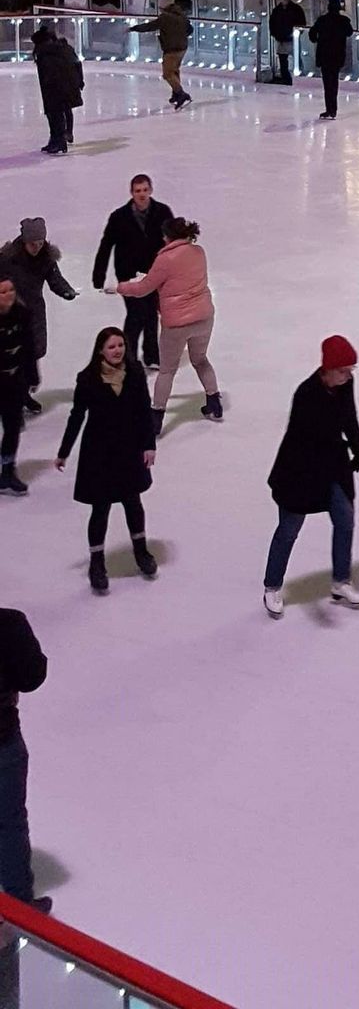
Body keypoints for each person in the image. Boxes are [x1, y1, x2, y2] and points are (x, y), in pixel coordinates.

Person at [263, 336, 359, 617]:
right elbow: (309, 440)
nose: (348, 376)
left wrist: (358, 446)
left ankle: (341, 581)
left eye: (350, 371)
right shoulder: (306, 395)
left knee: (345, 519)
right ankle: (272, 586)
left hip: (332, 466)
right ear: (328, 369)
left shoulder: (345, 386)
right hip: (300, 472)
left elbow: (349, 416)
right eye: (343, 371)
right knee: (288, 531)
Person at [55, 327, 157, 593]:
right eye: (112, 347)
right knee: (100, 509)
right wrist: (64, 451)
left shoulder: (134, 373)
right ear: (101, 350)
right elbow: (77, 415)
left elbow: (144, 411)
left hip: (129, 450)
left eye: (120, 345)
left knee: (133, 503)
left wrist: (149, 445)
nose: (117, 350)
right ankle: (97, 562)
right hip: (99, 454)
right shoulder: (88, 379)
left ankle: (141, 551)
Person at [116, 215, 221, 427]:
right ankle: (214, 403)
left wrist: (120, 287)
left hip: (177, 324)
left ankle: (156, 418)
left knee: (166, 371)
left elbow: (144, 288)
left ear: (168, 237)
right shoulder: (199, 252)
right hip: (204, 317)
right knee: (200, 360)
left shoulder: (165, 259)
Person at [92, 173, 177, 373]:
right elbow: (106, 245)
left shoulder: (163, 212)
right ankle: (129, 357)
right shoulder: (119, 216)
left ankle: (150, 355)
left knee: (150, 314)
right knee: (136, 314)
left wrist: (175, 270)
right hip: (128, 273)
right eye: (138, 191)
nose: (142, 194)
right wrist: (99, 275)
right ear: (131, 192)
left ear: (151, 190)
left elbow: (173, 242)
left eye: (145, 190)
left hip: (155, 272)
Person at [0, 220, 75, 415]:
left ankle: (24, 395)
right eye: (33, 243)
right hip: (10, 313)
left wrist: (66, 291)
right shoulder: (7, 259)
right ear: (24, 241)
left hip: (34, 313)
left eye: (40, 242)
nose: (37, 247)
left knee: (32, 354)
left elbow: (55, 279)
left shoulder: (46, 258)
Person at [0, 600, 47, 909]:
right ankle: (20, 907)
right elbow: (32, 676)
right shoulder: (10, 625)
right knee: (10, 821)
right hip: (2, 739)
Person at [28, 21, 83, 156]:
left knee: (55, 115)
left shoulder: (46, 53)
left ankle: (59, 141)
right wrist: (79, 81)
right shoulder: (61, 49)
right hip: (64, 87)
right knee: (58, 114)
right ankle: (57, 140)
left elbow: (50, 74)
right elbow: (76, 64)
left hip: (55, 89)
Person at [134, 0, 194, 108]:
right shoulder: (181, 15)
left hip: (172, 49)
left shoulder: (165, 18)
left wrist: (134, 28)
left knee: (167, 74)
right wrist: (181, 36)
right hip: (182, 47)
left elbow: (150, 26)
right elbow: (190, 29)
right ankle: (176, 93)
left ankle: (181, 94)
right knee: (174, 70)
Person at [0, 280, 31, 496]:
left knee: (12, 428)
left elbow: (29, 345)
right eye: (3, 291)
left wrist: (30, 375)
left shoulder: (22, 313)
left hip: (15, 382)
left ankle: (7, 470)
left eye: (12, 289)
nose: (9, 294)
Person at [308, 0, 353, 120]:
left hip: (324, 55)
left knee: (327, 83)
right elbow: (349, 33)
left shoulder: (322, 20)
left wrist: (317, 40)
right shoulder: (343, 21)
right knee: (334, 82)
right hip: (337, 55)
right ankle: (333, 109)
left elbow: (312, 33)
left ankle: (330, 109)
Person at [267, 0, 308, 86]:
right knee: (284, 62)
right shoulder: (278, 11)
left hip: (292, 39)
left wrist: (296, 33)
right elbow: (272, 24)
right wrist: (275, 34)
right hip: (282, 39)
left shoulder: (294, 9)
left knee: (295, 59)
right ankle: (287, 79)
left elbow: (302, 23)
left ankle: (298, 78)